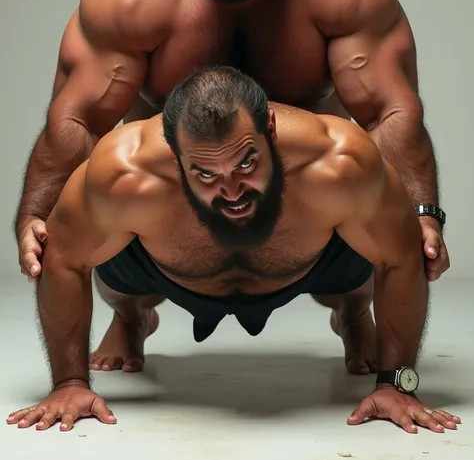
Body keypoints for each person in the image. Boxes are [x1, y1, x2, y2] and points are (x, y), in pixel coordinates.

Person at [14, 0, 448, 285]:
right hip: (172, 202)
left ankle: (352, 315)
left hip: (305, 201)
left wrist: (424, 215)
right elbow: (80, 117)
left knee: (364, 194)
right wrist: (35, 216)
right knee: (110, 195)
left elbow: (389, 111)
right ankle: (131, 318)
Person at [7, 68, 459, 434]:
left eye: (246, 162)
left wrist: (399, 385)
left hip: (313, 263)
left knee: (383, 241)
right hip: (164, 268)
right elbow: (64, 257)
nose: (231, 191)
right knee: (88, 246)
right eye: (204, 173)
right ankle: (131, 319)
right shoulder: (124, 170)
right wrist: (68, 383)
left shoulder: (339, 159)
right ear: (174, 151)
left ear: (271, 129)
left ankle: (354, 317)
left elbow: (400, 255)